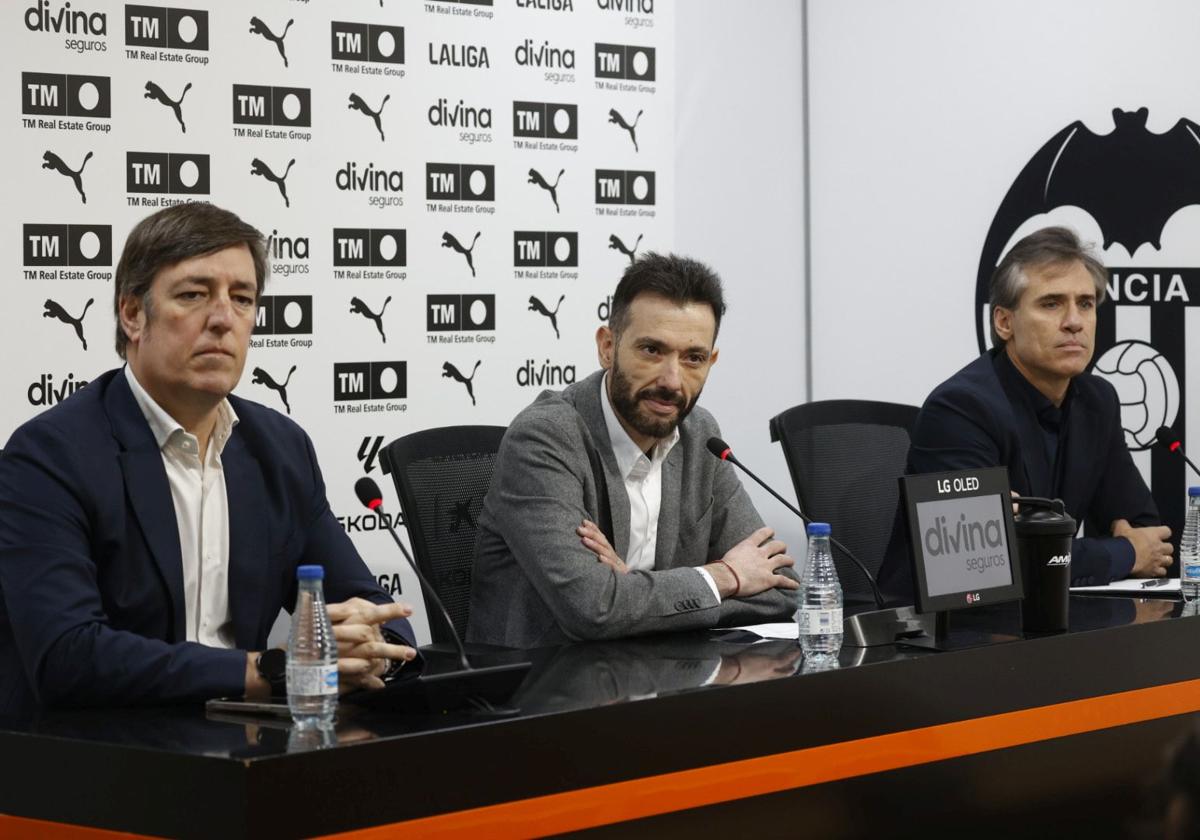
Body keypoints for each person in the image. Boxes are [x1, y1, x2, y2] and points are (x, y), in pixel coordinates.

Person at [0, 203, 417, 716]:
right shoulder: (50, 456)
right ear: (132, 314)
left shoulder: (280, 448)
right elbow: (68, 657)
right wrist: (269, 670)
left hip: (242, 745)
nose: (222, 319)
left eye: (242, 299)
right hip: (98, 755)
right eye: (193, 295)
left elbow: (378, 609)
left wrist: (370, 644)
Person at [469, 253, 799, 648]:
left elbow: (783, 590)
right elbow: (593, 609)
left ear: (711, 361)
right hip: (543, 689)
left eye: (693, 358)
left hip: (660, 681)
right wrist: (725, 577)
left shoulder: (700, 435)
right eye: (652, 351)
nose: (672, 381)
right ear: (608, 347)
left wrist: (636, 594)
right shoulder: (545, 438)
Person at [878, 226, 1170, 602]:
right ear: (1004, 322)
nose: (1074, 322)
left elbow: (1149, 533)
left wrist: (1046, 548)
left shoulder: (1098, 400)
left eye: (1085, 303)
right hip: (936, 634)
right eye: (1051, 303)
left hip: (1043, 621)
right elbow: (977, 566)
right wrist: (1124, 553)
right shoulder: (960, 410)